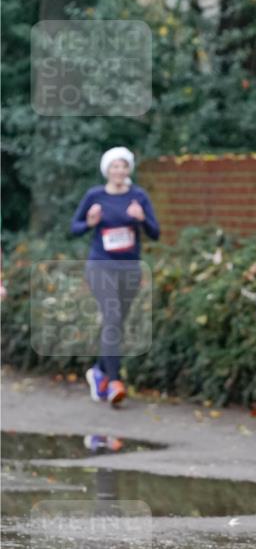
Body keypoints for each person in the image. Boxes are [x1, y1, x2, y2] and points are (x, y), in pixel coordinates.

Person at [71, 146, 160, 406]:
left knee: (116, 324)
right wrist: (89, 222)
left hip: (129, 268)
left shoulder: (138, 196)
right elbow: (73, 228)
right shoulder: (94, 196)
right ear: (107, 170)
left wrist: (142, 219)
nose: (119, 171)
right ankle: (114, 382)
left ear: (128, 169)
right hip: (100, 265)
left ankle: (98, 371)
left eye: (123, 166)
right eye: (114, 166)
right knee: (111, 317)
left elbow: (155, 233)